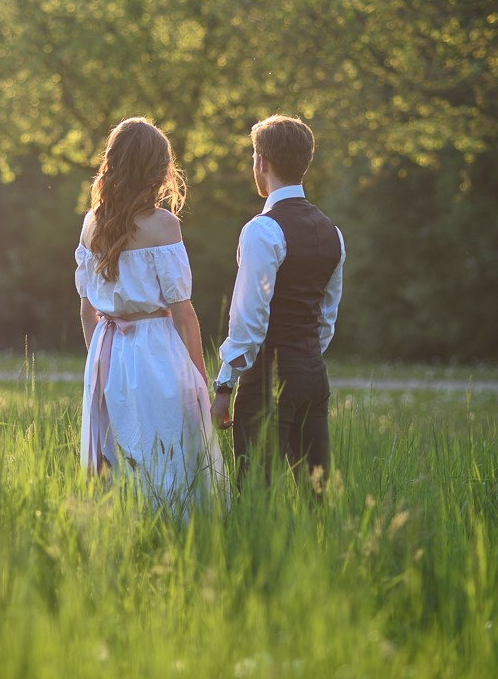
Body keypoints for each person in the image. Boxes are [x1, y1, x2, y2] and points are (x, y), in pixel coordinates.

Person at [76, 117, 226, 508]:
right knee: (170, 445)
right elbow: (183, 313)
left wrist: (98, 364)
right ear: (156, 170)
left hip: (108, 351)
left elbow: (86, 308)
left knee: (116, 446)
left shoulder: (91, 224)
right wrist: (200, 380)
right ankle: (175, 525)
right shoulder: (163, 225)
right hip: (155, 350)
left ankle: (124, 524)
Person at [209, 115, 345, 485]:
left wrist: (224, 385)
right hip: (313, 375)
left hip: (268, 377)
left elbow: (248, 321)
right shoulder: (332, 232)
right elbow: (326, 318)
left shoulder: (262, 230)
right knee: (315, 497)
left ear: (262, 163)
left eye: (253, 156)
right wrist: (306, 359)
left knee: (255, 495)